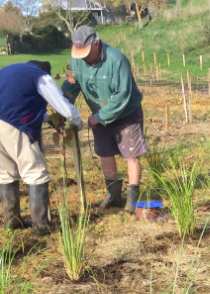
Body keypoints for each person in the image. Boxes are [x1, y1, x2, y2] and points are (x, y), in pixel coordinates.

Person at [0, 60, 83, 234]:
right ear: (44, 71)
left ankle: (12, 221)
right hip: (10, 121)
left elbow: (14, 104)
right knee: (34, 171)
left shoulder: (9, 69)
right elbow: (64, 108)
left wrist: (48, 119)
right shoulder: (41, 77)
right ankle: (41, 226)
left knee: (4, 173)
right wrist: (77, 120)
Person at [61, 26, 148, 214]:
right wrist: (63, 110)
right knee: (105, 154)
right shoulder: (75, 62)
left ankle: (132, 201)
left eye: (85, 51)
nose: (82, 57)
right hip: (98, 115)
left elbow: (122, 95)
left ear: (96, 44)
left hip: (126, 113)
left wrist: (99, 117)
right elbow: (68, 87)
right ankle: (113, 196)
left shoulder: (117, 59)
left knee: (130, 156)